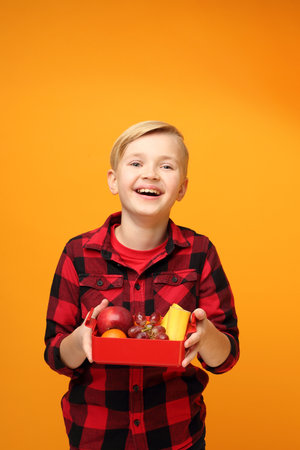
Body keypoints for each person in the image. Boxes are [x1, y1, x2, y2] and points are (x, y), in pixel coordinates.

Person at [44, 120, 239, 450]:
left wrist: (207, 338)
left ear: (182, 188)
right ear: (113, 180)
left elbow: (226, 357)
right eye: (136, 163)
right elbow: (55, 353)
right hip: (97, 436)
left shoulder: (200, 252)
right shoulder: (78, 254)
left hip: (177, 436)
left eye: (166, 165)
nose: (150, 174)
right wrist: (79, 341)